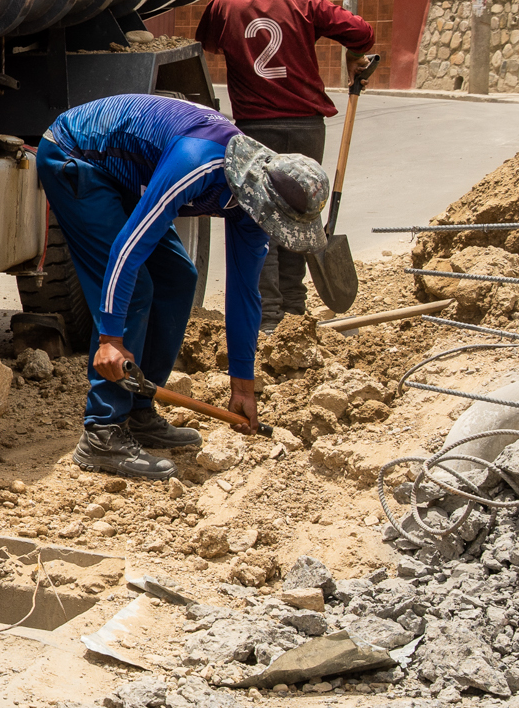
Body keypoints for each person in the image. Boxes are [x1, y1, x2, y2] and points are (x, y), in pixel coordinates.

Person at [38, 93, 331, 480]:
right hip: (77, 155)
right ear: (265, 199)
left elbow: (245, 294)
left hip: (123, 169)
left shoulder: (254, 206)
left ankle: (139, 410)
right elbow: (128, 249)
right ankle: (102, 432)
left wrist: (243, 387)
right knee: (136, 290)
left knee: (179, 278)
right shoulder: (198, 162)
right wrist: (110, 339)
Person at [196, 0, 376, 329]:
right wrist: (354, 54)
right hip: (307, 127)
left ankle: (270, 317)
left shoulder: (226, 5)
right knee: (299, 215)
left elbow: (208, 41)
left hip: (257, 132)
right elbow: (362, 33)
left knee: (261, 220)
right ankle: (294, 309)